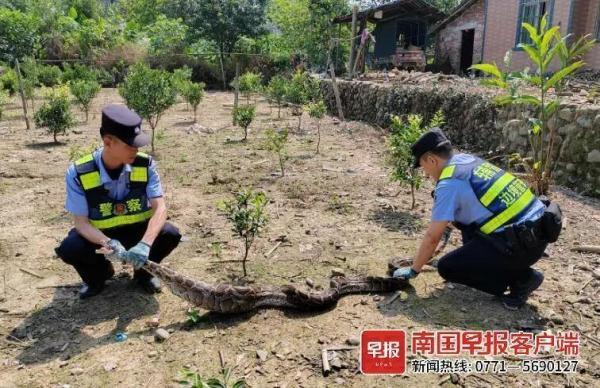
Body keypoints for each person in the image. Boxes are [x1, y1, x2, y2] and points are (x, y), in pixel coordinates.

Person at [393, 129, 561, 310]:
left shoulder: (449, 183)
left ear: (431, 160)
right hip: (539, 231)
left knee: (448, 268)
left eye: (422, 166)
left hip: (521, 245)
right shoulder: (468, 160)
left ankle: (522, 279)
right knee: (465, 226)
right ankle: (510, 268)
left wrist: (414, 270)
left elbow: (433, 237)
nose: (425, 173)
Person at [55, 104, 181, 299]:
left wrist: (145, 244)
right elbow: (81, 223)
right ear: (108, 142)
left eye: (138, 144)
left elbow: (160, 208)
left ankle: (143, 274)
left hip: (137, 231)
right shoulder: (79, 172)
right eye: (130, 145)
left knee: (170, 234)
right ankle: (98, 277)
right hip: (100, 237)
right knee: (71, 248)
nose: (136, 149)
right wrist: (108, 242)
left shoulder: (145, 165)